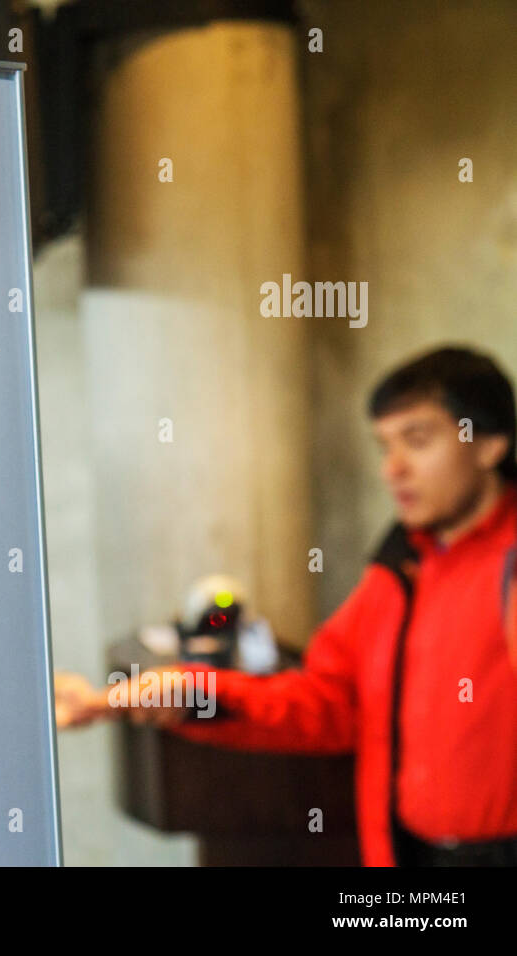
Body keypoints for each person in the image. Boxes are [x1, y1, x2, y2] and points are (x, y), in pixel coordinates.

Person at [56, 346, 517, 866]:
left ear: (490, 443)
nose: (394, 469)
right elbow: (328, 704)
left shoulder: (504, 560)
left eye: (417, 440)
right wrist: (193, 694)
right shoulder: (400, 569)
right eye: (384, 446)